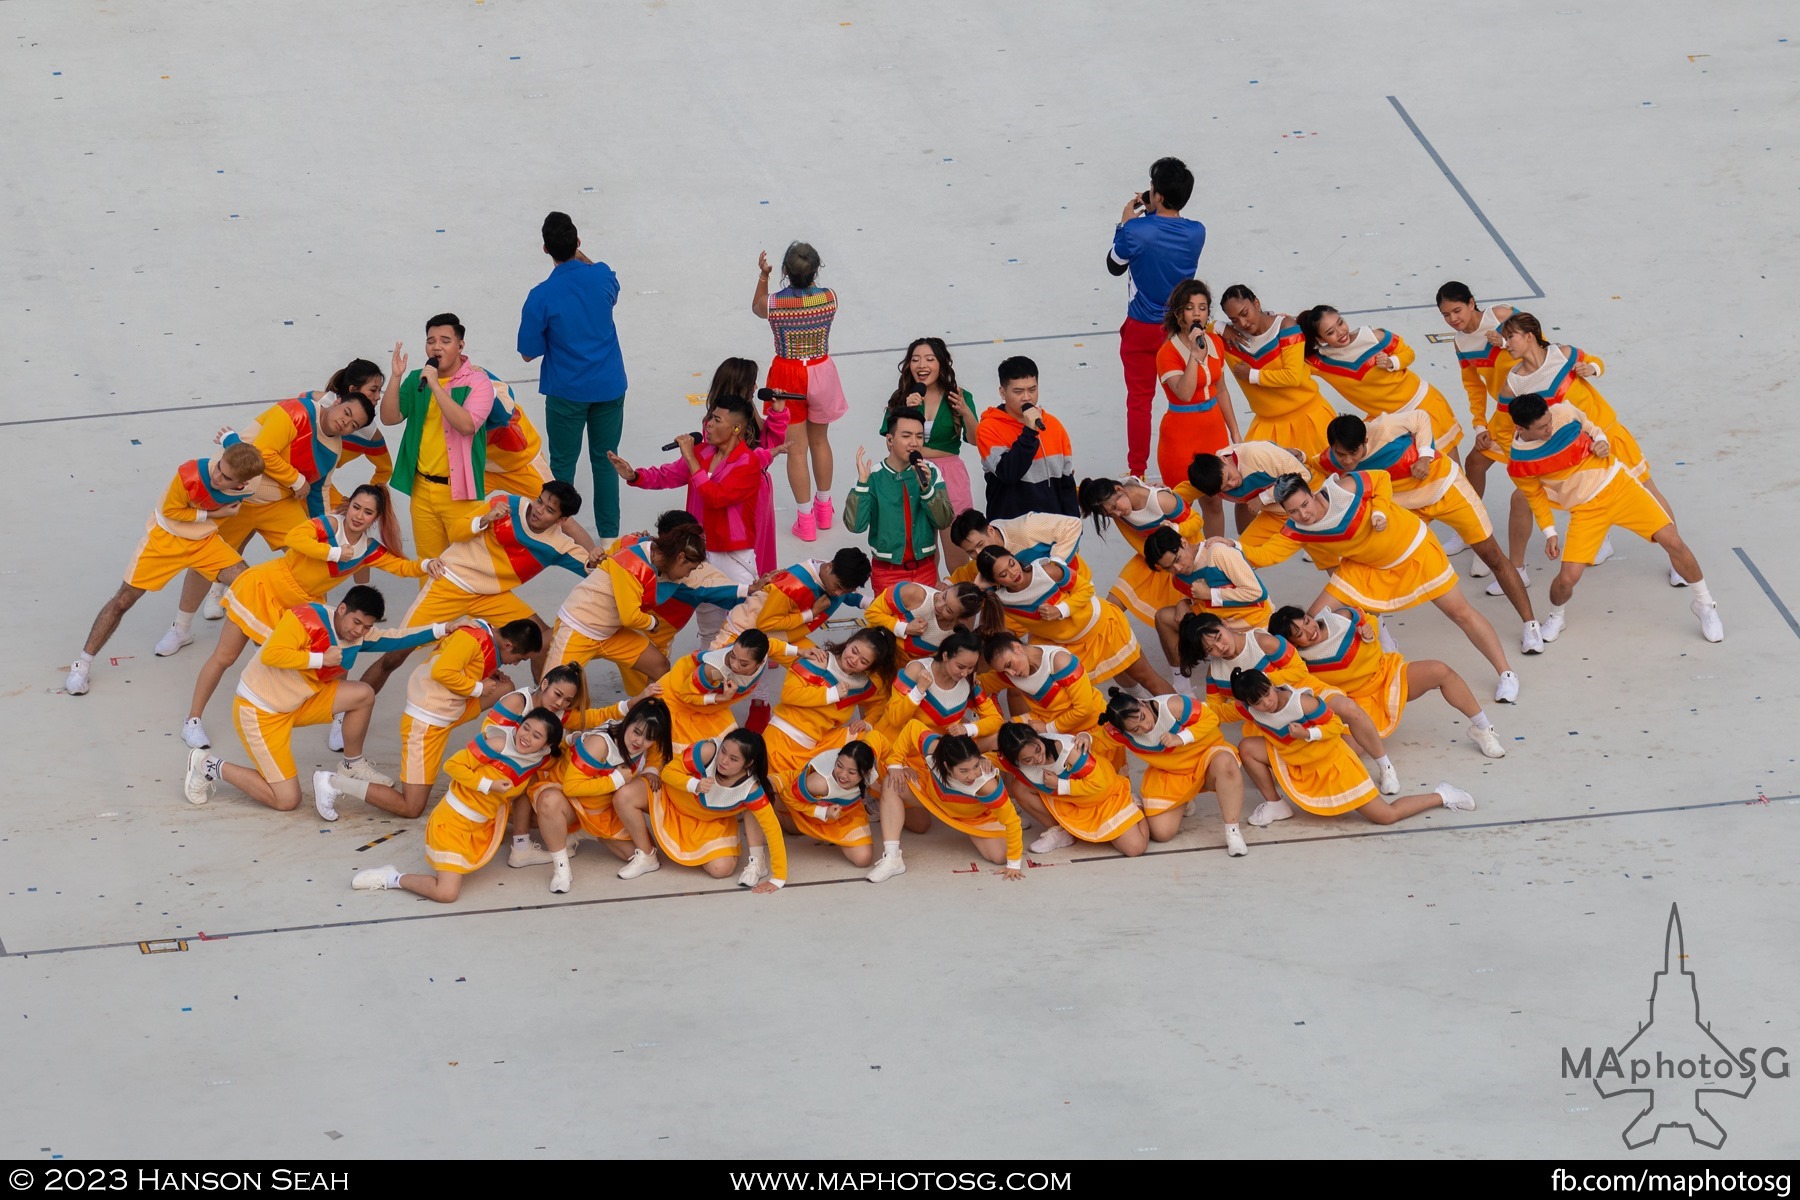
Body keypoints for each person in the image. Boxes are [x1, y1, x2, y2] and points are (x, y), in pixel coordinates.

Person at [181, 484, 432, 750]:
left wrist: (427, 565)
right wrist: (333, 552)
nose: (359, 516)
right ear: (348, 505)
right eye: (356, 507)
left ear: (376, 518)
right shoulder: (327, 526)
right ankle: (193, 720)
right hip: (264, 588)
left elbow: (403, 567)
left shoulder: (369, 550)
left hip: (306, 607)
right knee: (225, 657)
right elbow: (294, 539)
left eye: (368, 512)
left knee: (340, 656)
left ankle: (339, 718)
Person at [1240, 471, 1522, 703]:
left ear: (1313, 494)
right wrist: (1232, 547)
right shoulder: (1297, 528)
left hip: (1414, 552)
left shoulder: (1345, 488)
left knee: (1460, 612)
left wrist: (1380, 511)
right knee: (1312, 620)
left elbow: (1382, 479)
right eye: (1293, 511)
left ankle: (1506, 673)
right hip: (1366, 569)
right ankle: (1319, 688)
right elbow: (1267, 555)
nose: (1303, 514)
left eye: (1305, 505)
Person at [181, 586, 456, 813]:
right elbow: (272, 654)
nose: (359, 631)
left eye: (366, 627)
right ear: (342, 609)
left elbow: (395, 638)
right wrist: (319, 658)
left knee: (363, 694)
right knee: (287, 800)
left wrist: (443, 629)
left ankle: (351, 765)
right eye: (356, 622)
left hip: (301, 701)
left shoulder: (360, 635)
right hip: (260, 710)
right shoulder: (304, 618)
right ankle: (208, 765)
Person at [348, 483, 591, 713]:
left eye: (549, 510)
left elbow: (596, 569)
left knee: (540, 644)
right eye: (540, 501)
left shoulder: (559, 546)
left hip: (492, 596)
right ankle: (348, 710)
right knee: (396, 653)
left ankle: (542, 715)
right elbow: (456, 532)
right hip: (451, 582)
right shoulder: (505, 504)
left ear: (561, 520)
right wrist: (486, 519)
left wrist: (599, 555)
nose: (538, 510)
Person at [1505, 394, 1723, 643]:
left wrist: (1600, 441)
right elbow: (1535, 498)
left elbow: (1590, 426)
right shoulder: (1519, 462)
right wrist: (1549, 532)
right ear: (1521, 428)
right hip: (1585, 510)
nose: (1550, 428)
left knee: (1673, 542)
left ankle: (1705, 604)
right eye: (1543, 427)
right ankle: (1556, 616)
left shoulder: (1563, 412)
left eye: (1549, 421)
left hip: (1619, 488)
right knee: (1567, 579)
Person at [1320, 412, 1542, 652]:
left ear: (1365, 442)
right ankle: (1380, 635)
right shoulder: (1331, 457)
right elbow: (1309, 464)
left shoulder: (1384, 428)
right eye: (1341, 454)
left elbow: (1421, 418)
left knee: (1492, 555)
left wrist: (1425, 457)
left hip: (1444, 487)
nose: (1348, 461)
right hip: (1405, 506)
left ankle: (1531, 625)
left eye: (1354, 453)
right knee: (1374, 563)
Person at [194, 360, 393, 621]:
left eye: (380, 391)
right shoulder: (309, 404)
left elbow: (375, 471)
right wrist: (233, 441)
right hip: (275, 485)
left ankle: (342, 606)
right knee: (231, 544)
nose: (378, 397)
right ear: (349, 393)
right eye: (374, 390)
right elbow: (263, 439)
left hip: (303, 489)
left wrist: (358, 500)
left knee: (327, 547)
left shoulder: (366, 433)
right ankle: (212, 596)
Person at [1498, 312, 1681, 586]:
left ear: (1529, 336)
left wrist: (1591, 369)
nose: (1505, 344)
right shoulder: (1514, 384)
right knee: (1520, 499)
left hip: (1606, 436)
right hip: (1566, 457)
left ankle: (1678, 562)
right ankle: (1516, 572)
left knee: (1647, 491)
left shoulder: (1564, 354)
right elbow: (1508, 425)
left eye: (1509, 337)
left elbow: (1596, 362)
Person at [68, 443, 264, 696]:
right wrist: (214, 514)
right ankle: (82, 665)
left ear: (242, 482)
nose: (217, 477)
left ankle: (266, 660)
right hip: (165, 539)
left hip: (204, 543)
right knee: (122, 601)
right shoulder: (189, 475)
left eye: (226, 477)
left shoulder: (251, 486)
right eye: (219, 468)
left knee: (250, 587)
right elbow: (170, 511)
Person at [322, 618, 546, 823]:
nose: (516, 664)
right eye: (519, 659)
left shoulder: (486, 636)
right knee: (411, 807)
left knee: (505, 688)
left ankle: (505, 758)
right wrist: (479, 687)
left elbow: (468, 661)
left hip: (449, 712)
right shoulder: (471, 638)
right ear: (508, 646)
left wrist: (487, 674)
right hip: (426, 722)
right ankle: (335, 782)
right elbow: (442, 671)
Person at [1174, 612, 1401, 795]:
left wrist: (1263, 684)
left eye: (1218, 637)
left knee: (1350, 709)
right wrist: (1243, 706)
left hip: (1304, 693)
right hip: (1268, 718)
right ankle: (1278, 800)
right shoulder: (1215, 673)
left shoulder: (1261, 641)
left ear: (1225, 624)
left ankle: (1385, 766)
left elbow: (1299, 670)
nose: (1220, 648)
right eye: (1210, 649)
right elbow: (1214, 711)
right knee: (1276, 769)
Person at [349, 711, 562, 903]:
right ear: (519, 725)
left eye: (536, 736)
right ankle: (392, 877)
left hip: (480, 827)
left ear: (545, 746)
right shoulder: (497, 744)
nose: (526, 737)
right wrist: (489, 785)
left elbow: (562, 758)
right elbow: (452, 765)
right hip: (452, 822)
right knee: (446, 893)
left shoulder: (538, 758)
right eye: (526, 728)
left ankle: (521, 847)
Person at [1228, 668, 1476, 827]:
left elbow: (1336, 726)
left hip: (1332, 763)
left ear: (1271, 684)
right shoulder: (1248, 709)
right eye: (1257, 702)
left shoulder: (1304, 703)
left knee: (1385, 816)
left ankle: (1443, 795)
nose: (1266, 703)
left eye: (1267, 694)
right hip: (1294, 760)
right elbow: (1214, 713)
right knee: (1247, 747)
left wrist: (1308, 733)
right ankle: (1275, 804)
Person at [612, 394, 768, 643]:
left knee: (750, 619)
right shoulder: (703, 451)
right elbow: (668, 475)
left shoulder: (747, 463)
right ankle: (708, 676)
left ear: (736, 428)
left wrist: (692, 459)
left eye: (717, 420)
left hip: (733, 554)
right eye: (709, 418)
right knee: (709, 625)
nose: (708, 424)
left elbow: (716, 497)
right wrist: (634, 476)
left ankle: (749, 676)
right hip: (700, 549)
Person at [1268, 605, 1509, 758]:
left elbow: (1367, 618)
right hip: (1359, 702)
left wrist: (1369, 631)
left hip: (1387, 675)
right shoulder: (1300, 660)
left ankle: (1482, 728)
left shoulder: (1340, 618)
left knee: (1440, 670)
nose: (1309, 631)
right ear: (1293, 643)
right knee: (1355, 749)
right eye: (1299, 633)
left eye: (1307, 622)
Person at [517, 211, 629, 539]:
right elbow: (606, 280)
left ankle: (555, 532)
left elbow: (527, 352)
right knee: (607, 462)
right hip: (609, 386)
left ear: (544, 249)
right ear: (578, 242)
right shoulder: (603, 276)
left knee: (562, 465)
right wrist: (578, 256)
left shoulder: (541, 296)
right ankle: (609, 539)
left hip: (566, 392)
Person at [1106, 157, 1206, 478]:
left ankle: (1137, 472)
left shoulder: (1135, 231)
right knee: (1182, 397)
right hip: (1177, 331)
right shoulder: (1196, 233)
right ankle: (1191, 465)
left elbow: (1115, 264)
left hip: (1140, 328)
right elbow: (1164, 236)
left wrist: (1125, 223)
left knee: (1139, 401)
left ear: (1157, 195)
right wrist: (1151, 215)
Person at [974, 548, 1172, 695]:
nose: (1013, 573)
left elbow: (1086, 589)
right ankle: (1141, 704)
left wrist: (1060, 610)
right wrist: (977, 586)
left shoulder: (1047, 572)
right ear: (995, 581)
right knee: (1094, 683)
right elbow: (968, 600)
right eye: (1003, 574)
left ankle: (1187, 720)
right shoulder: (1000, 599)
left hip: (1102, 626)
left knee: (1145, 676)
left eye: (1011, 563)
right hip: (1068, 645)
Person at [526, 696, 673, 893]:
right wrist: (617, 779)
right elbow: (571, 787)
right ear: (627, 722)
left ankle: (582, 831)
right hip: (567, 797)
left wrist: (651, 770)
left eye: (648, 737)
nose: (639, 741)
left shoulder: (646, 737)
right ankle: (561, 867)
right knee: (548, 803)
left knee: (631, 853)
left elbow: (656, 752)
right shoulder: (600, 744)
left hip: (598, 805)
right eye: (636, 732)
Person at [381, 316, 497, 560]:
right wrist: (395, 377)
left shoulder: (478, 382)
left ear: (461, 345)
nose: (436, 347)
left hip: (461, 492)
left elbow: (467, 425)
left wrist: (436, 385)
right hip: (422, 489)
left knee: (468, 564)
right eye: (431, 341)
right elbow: (390, 417)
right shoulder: (416, 380)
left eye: (445, 341)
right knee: (429, 564)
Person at [612, 728, 786, 890]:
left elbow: (772, 829)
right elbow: (668, 772)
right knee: (624, 796)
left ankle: (758, 862)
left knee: (721, 869)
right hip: (669, 800)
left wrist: (778, 878)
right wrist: (693, 784)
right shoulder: (707, 751)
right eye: (724, 751)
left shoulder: (751, 788)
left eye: (734, 759)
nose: (724, 760)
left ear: (748, 764)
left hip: (709, 822)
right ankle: (646, 855)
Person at [753, 242, 845, 542]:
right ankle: (825, 509)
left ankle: (805, 520)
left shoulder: (775, 304)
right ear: (816, 269)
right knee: (821, 441)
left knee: (796, 448)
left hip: (788, 375)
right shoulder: (829, 298)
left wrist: (764, 276)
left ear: (785, 272)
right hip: (821, 369)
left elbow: (757, 307)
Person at [545, 523, 708, 689]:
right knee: (554, 688)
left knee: (659, 666)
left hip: (611, 632)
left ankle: (648, 711)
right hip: (579, 627)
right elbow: (629, 617)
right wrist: (652, 622)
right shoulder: (633, 562)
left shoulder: (653, 556)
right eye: (690, 569)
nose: (688, 575)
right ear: (680, 557)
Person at [1299, 304, 1464, 464]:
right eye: (1330, 332)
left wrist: (1392, 362)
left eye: (1340, 322)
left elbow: (1408, 353)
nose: (1340, 332)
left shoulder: (1374, 337)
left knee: (1451, 470)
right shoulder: (1320, 363)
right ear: (1320, 339)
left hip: (1423, 405)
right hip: (1392, 421)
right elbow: (1289, 360)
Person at [1097, 688, 1248, 855]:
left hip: (1206, 760)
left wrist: (1181, 738)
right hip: (1171, 774)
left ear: (1141, 702)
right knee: (1161, 833)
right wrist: (1086, 738)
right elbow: (1098, 740)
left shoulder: (1173, 706)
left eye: (1142, 717)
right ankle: (1167, 802)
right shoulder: (1120, 732)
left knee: (1226, 764)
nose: (1145, 727)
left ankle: (1233, 832)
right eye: (1135, 730)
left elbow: (1211, 717)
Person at [1436, 282, 1517, 579]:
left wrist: (1506, 343)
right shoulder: (1460, 342)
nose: (1453, 319)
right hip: (1506, 412)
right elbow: (1473, 385)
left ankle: (1600, 536)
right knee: (1474, 462)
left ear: (1472, 303)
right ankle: (1471, 531)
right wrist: (1480, 423)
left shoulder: (1503, 316)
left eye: (1457, 310)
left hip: (1538, 405)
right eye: (1446, 315)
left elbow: (1542, 349)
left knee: (1554, 477)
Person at [874, 725, 1023, 883]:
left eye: (975, 766)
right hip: (931, 796)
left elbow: (1013, 821)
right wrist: (896, 764)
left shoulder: (987, 786)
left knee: (1000, 856)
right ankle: (892, 857)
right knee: (892, 782)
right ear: (946, 765)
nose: (972, 775)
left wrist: (1014, 864)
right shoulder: (936, 748)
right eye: (964, 771)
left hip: (975, 817)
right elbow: (911, 728)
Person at [881, 338, 981, 570]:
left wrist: (966, 412)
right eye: (915, 360)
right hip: (910, 473)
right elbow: (891, 443)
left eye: (929, 359)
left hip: (950, 475)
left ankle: (963, 598)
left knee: (957, 543)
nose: (921, 365)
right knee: (921, 548)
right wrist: (907, 410)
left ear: (942, 363)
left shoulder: (960, 396)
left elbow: (975, 440)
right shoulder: (901, 399)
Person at [1216, 285, 1337, 462]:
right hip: (1267, 427)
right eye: (1234, 320)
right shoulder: (1229, 337)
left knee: (1324, 477)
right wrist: (1220, 327)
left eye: (1245, 313)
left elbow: (1292, 376)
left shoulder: (1285, 326)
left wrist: (1252, 375)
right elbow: (1191, 323)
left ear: (1256, 303)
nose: (1242, 323)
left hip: (1309, 420)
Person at [1154, 279, 1238, 522]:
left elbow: (1221, 390)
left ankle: (1213, 557)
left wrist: (1235, 433)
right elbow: (1184, 392)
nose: (1197, 313)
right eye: (1190, 308)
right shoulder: (1167, 353)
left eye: (1202, 307)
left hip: (1213, 431)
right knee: (1179, 507)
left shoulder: (1216, 343)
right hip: (1181, 434)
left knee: (1214, 503)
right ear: (1179, 313)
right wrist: (1194, 357)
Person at [994, 724, 1147, 857]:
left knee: (1135, 848)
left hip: (1104, 798)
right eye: (1028, 760)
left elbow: (1099, 785)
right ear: (1016, 760)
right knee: (1019, 786)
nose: (1037, 758)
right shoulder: (1015, 762)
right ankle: (1061, 831)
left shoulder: (1070, 751)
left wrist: (1060, 785)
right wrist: (983, 760)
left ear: (1037, 737)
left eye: (1038, 749)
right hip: (1072, 801)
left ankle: (1135, 804)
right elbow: (991, 752)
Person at [978, 632, 1125, 769]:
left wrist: (1048, 728)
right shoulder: (1012, 672)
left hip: (1091, 726)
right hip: (1044, 719)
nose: (1011, 673)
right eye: (1004, 671)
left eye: (1009, 665)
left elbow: (1083, 709)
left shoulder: (1060, 661)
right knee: (997, 736)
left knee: (1104, 775)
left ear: (1017, 647)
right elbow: (981, 683)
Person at [1075, 474, 1208, 626]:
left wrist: (1176, 529)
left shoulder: (1160, 500)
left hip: (1179, 559)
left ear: (1119, 489)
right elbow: (1085, 491)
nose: (1117, 515)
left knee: (1187, 620)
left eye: (1114, 508)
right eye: (1110, 514)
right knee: (1112, 606)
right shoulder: (1114, 496)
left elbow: (1197, 520)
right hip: (1150, 560)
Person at [847, 407, 955, 589]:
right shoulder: (872, 476)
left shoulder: (931, 472)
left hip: (926, 570)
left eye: (919, 436)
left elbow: (944, 521)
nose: (914, 442)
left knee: (925, 618)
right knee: (889, 618)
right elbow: (856, 526)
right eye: (906, 436)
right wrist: (862, 485)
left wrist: (927, 490)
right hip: (886, 573)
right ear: (889, 440)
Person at [1141, 525, 1272, 673]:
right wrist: (1183, 602)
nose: (1177, 569)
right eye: (1169, 567)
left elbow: (1257, 593)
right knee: (1163, 617)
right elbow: (1197, 595)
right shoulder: (1177, 578)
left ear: (1184, 543)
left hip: (1252, 621)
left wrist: (1210, 594)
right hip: (1218, 623)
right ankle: (1182, 685)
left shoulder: (1218, 552)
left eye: (1178, 559)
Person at [976, 357, 1079, 520]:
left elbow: (1066, 482)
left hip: (1054, 528)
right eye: (1018, 392)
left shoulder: (1053, 424)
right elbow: (1009, 473)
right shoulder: (988, 428)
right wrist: (1029, 432)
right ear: (1002, 392)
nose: (1027, 397)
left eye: (1032, 389)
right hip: (1011, 530)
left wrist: (1074, 526)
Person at [660, 629, 794, 751]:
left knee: (729, 747)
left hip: (708, 706)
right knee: (687, 751)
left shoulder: (757, 653)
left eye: (743, 663)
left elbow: (772, 645)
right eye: (733, 655)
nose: (734, 665)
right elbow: (686, 695)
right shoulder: (715, 670)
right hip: (677, 698)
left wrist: (799, 651)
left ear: (761, 662)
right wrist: (721, 698)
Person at [712, 549, 871, 650]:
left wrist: (868, 602)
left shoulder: (832, 574)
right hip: (742, 632)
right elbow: (766, 623)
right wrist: (812, 613)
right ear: (829, 566)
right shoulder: (792, 585)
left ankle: (761, 702)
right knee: (713, 676)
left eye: (846, 591)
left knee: (820, 672)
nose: (838, 594)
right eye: (838, 587)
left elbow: (846, 593)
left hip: (783, 637)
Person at [770, 739, 884, 871]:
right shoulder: (819, 783)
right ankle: (779, 819)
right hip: (805, 805)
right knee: (764, 792)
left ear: (865, 773)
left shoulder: (870, 767)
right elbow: (788, 796)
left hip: (845, 814)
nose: (842, 775)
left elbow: (879, 739)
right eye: (839, 765)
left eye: (851, 772)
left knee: (863, 859)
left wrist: (895, 767)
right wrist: (822, 812)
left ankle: (829, 836)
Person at [873, 629, 1003, 743]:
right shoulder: (916, 670)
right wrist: (918, 691)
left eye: (971, 667)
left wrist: (968, 729)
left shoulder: (969, 684)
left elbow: (995, 719)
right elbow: (895, 718)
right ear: (945, 656)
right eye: (960, 666)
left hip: (928, 757)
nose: (964, 673)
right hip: (890, 747)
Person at [1185, 442, 1317, 548]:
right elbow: (1181, 494)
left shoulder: (1255, 455)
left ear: (1224, 459)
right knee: (1241, 555)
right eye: (1224, 487)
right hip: (1275, 515)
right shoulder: (1210, 483)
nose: (1232, 484)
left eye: (1229, 477)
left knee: (1329, 558)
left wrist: (1263, 498)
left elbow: (1303, 475)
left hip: (1309, 506)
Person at [863, 578, 1005, 664]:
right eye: (944, 596)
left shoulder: (953, 635)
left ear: (962, 618)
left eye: (948, 610)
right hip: (871, 650)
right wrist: (903, 628)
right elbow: (871, 613)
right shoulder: (913, 593)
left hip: (900, 676)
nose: (939, 606)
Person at [946, 509, 1085, 586]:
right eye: (971, 552)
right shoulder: (983, 557)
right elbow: (970, 571)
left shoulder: (1026, 528)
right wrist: (947, 584)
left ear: (990, 530)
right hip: (1032, 600)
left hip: (1072, 583)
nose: (978, 553)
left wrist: (1053, 566)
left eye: (980, 545)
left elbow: (1072, 525)